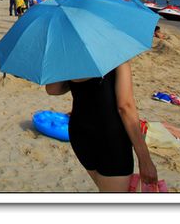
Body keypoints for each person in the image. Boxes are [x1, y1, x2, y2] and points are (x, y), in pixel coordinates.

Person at [46, 61, 159, 192]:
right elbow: (125, 107)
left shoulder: (71, 55)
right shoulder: (117, 55)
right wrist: (144, 159)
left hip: (80, 133)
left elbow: (53, 89)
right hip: (110, 139)